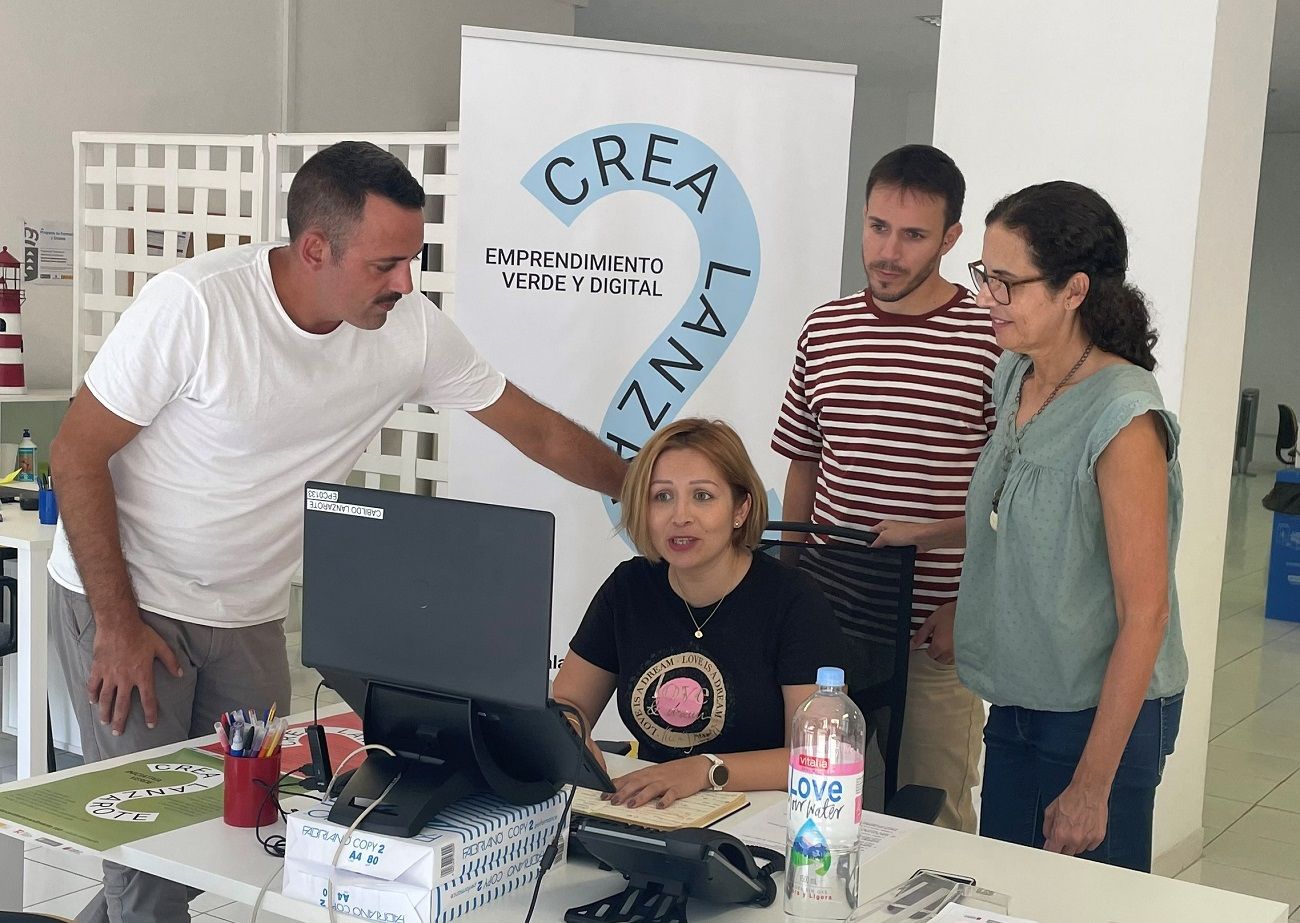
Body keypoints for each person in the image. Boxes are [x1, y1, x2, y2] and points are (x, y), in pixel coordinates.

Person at [47, 141, 626, 923]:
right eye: (386, 263)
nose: (405, 283)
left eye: (411, 259)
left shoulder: (409, 329)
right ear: (315, 248)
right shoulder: (196, 306)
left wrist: (641, 494)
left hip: (247, 615)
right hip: (129, 599)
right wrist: (114, 623)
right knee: (147, 868)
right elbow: (75, 451)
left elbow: (539, 432)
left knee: (224, 843)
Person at [958, 180, 1187, 872]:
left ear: (1074, 289)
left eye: (1006, 283)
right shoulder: (1015, 374)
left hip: (1098, 717)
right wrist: (937, 553)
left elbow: (1142, 612)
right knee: (1002, 897)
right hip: (1021, 695)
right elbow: (1031, 518)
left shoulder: (1123, 418)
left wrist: (1092, 784)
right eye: (984, 276)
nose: (984, 298)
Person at [771, 144, 998, 831]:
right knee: (825, 809)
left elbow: (1010, 497)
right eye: (877, 227)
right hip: (829, 622)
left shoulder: (991, 338)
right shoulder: (826, 326)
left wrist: (970, 604)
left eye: (913, 234)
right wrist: (784, 590)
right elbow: (805, 462)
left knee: (934, 817)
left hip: (935, 637)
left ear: (951, 238)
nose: (889, 251)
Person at [552, 418, 844, 807]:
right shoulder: (629, 587)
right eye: (662, 497)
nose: (680, 516)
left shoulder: (794, 602)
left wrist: (705, 770)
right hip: (653, 809)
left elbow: (816, 757)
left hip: (764, 819)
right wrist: (572, 730)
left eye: (703, 496)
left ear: (740, 510)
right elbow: (569, 702)